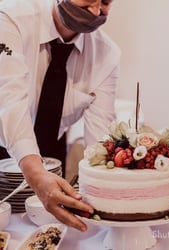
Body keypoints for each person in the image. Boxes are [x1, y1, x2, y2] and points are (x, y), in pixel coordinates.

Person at [0, 0, 120, 232]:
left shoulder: (107, 55)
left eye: (105, 2)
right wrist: (35, 173)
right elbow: (7, 102)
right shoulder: (10, 20)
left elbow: (100, 141)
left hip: (50, 156)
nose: (96, 11)